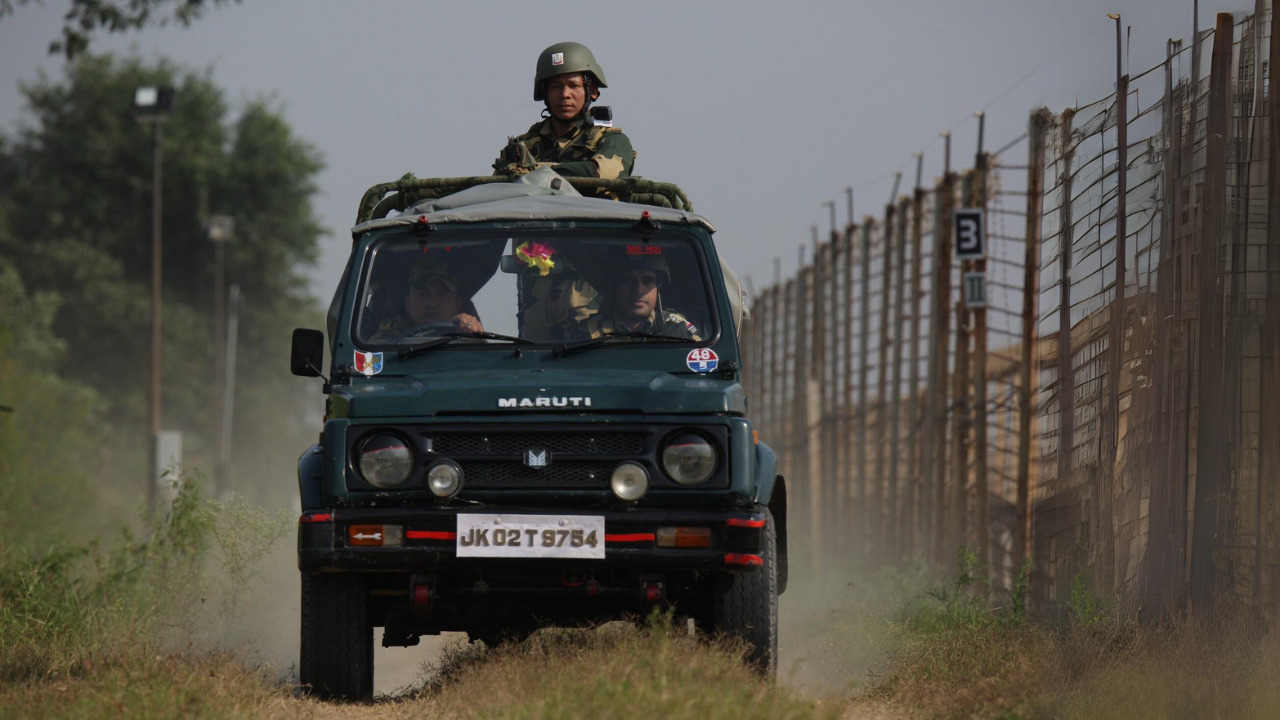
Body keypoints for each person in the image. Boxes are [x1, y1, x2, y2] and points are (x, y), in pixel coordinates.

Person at [493, 42, 635, 181]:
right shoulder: (524, 147)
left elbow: (604, 173)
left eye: (574, 86)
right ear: (545, 92)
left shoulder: (611, 140)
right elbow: (497, 189)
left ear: (591, 91)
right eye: (556, 87)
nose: (565, 94)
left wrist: (534, 171)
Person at [581, 253, 701, 340]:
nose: (638, 290)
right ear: (615, 287)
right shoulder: (588, 331)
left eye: (648, 281)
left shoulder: (678, 329)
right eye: (628, 281)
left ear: (658, 289)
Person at [370, 259, 483, 342]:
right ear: (408, 303)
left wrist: (470, 328)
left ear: (457, 304)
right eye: (422, 294)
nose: (432, 303)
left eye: (442, 295)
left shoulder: (465, 335)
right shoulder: (390, 334)